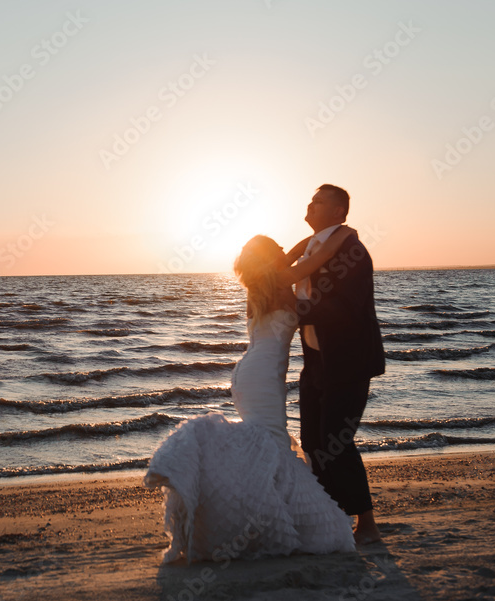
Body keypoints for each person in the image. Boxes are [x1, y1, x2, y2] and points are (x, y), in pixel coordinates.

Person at [143, 227, 358, 563]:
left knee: (265, 443)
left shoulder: (260, 282)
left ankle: (247, 513)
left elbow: (294, 257)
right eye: (279, 248)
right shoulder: (279, 277)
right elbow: (319, 258)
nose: (286, 250)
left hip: (248, 372)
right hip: (262, 375)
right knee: (269, 442)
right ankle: (259, 521)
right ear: (271, 257)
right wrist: (340, 237)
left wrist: (303, 242)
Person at [296, 184, 385, 546]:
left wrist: (289, 310)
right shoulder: (309, 249)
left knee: (338, 440)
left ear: (337, 212)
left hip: (348, 362)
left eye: (318, 201)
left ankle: (367, 524)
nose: (310, 204)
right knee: (312, 439)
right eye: (310, 199)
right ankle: (329, 517)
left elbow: (342, 308)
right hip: (316, 360)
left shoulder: (352, 251)